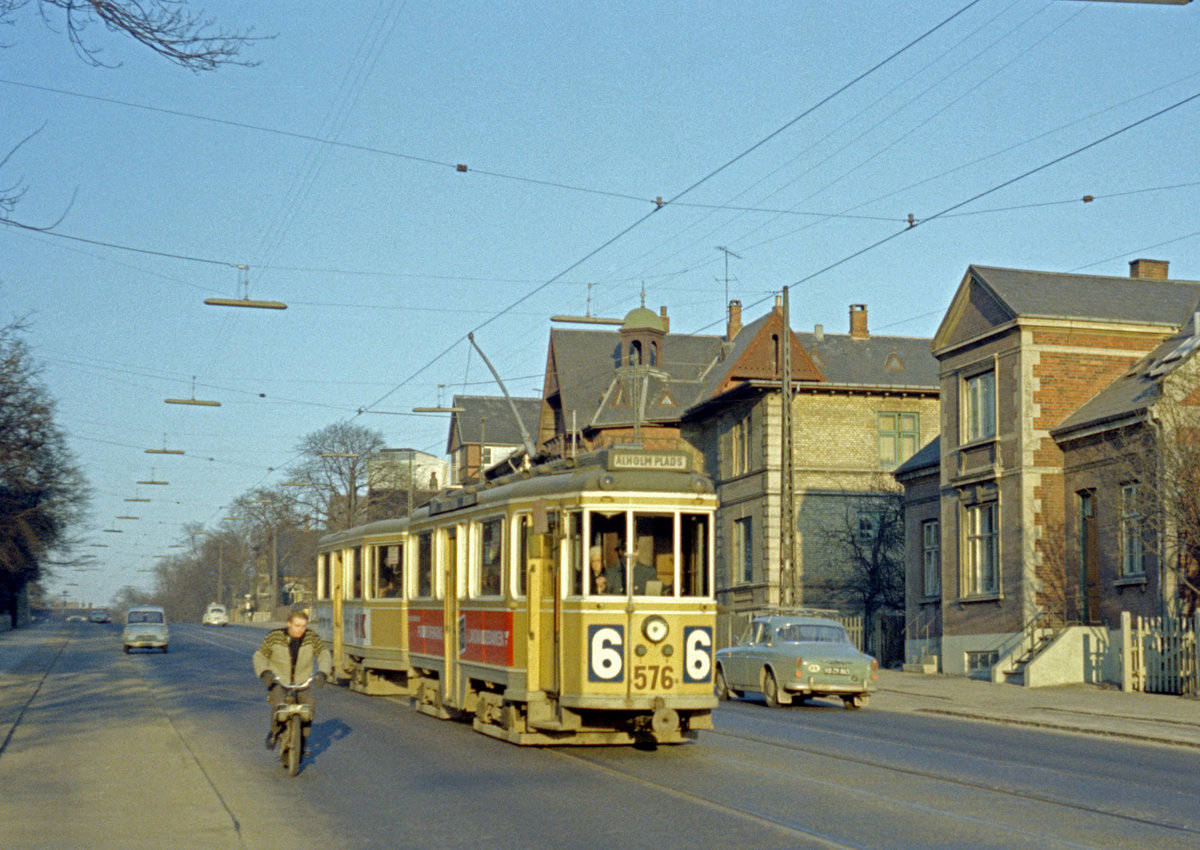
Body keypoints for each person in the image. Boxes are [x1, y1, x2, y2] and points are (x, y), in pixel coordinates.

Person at [253, 609, 333, 755]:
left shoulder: (311, 637)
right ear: (288, 624)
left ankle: (303, 739)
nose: (300, 629)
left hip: (302, 682)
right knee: (279, 707)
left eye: (303, 626)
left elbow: (323, 654)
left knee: (309, 708)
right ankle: (275, 732)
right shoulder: (274, 636)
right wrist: (265, 672)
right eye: (297, 625)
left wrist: (323, 672)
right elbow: (260, 656)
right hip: (279, 681)